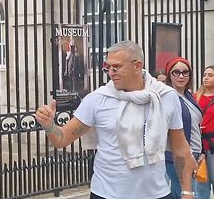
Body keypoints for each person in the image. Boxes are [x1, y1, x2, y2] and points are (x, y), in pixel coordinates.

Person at [35, 41, 197, 199]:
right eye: (108, 67)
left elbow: (180, 148)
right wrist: (49, 126)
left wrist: (187, 192)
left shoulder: (165, 96)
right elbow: (62, 139)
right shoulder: (97, 99)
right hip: (107, 193)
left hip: (157, 193)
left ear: (137, 66)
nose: (111, 72)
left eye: (117, 67)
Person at [163, 57, 206, 199]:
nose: (181, 76)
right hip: (178, 156)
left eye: (185, 72)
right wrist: (188, 155)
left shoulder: (189, 96)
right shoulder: (167, 97)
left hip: (195, 153)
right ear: (169, 74)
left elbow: (196, 126)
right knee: (186, 193)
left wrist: (201, 152)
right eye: (176, 72)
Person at [195, 65, 214, 197]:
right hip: (198, 146)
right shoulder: (195, 96)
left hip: (212, 145)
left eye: (210, 75)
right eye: (204, 75)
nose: (206, 77)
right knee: (201, 184)